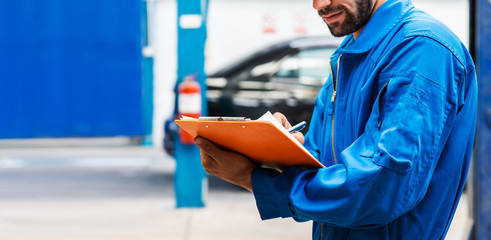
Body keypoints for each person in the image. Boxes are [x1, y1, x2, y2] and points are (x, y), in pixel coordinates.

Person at [194, 0, 478, 239]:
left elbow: (381, 187)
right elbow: (323, 160)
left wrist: (253, 180)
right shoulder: (347, 55)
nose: (319, 5)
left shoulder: (422, 50)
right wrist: (276, 148)